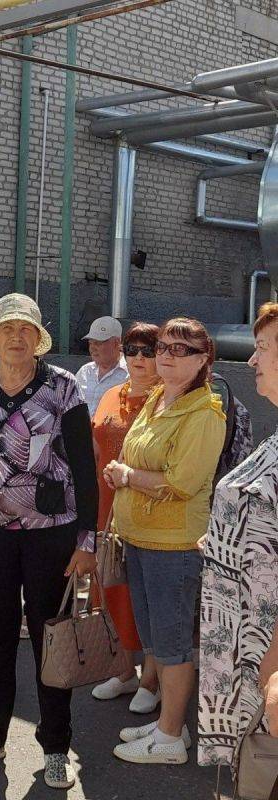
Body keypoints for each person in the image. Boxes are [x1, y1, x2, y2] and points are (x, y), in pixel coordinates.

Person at [0, 293, 98, 790]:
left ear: (38, 338)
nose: (16, 337)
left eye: (26, 329)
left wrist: (87, 541)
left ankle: (55, 746)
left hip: (50, 534)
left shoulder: (63, 387)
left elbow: (84, 469)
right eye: (7, 329)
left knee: (50, 638)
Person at [105, 317, 226, 766]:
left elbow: (183, 481)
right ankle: (165, 725)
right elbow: (134, 452)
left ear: (203, 360)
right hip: (139, 538)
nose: (169, 355)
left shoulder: (205, 413)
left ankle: (172, 736)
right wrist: (124, 471)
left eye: (183, 349)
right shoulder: (158, 398)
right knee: (155, 638)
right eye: (164, 347)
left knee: (173, 644)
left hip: (173, 546)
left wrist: (127, 476)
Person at [198, 302, 278, 767]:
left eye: (262, 348)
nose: (251, 360)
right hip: (246, 650)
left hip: (266, 655)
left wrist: (274, 669)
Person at [90, 322, 160, 713]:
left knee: (144, 596)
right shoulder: (111, 395)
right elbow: (96, 452)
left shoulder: (168, 401)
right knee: (110, 588)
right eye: (132, 349)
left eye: (148, 350)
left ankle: (151, 678)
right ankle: (122, 670)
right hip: (106, 507)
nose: (138, 358)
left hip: (148, 510)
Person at [76, 316, 128, 417]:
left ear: (116, 343)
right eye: (90, 343)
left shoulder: (129, 375)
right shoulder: (84, 371)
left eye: (98, 343)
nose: (92, 348)